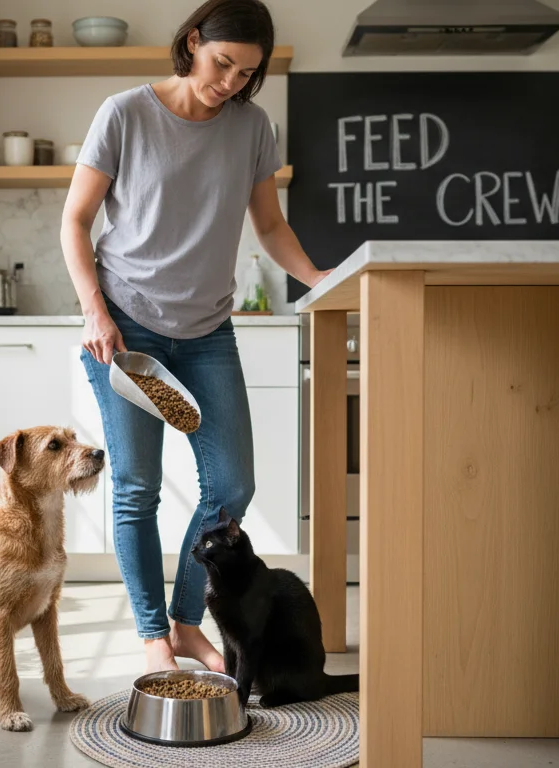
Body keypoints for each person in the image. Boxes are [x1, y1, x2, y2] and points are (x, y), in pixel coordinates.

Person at [60, 0, 330, 675]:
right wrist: (95, 311)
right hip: (124, 329)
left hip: (208, 329)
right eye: (223, 64)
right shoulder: (124, 114)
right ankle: (154, 634)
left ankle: (186, 622)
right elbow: (76, 220)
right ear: (193, 43)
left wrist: (317, 277)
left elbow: (269, 226)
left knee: (232, 485)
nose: (231, 82)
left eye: (247, 73)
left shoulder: (251, 128)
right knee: (137, 487)